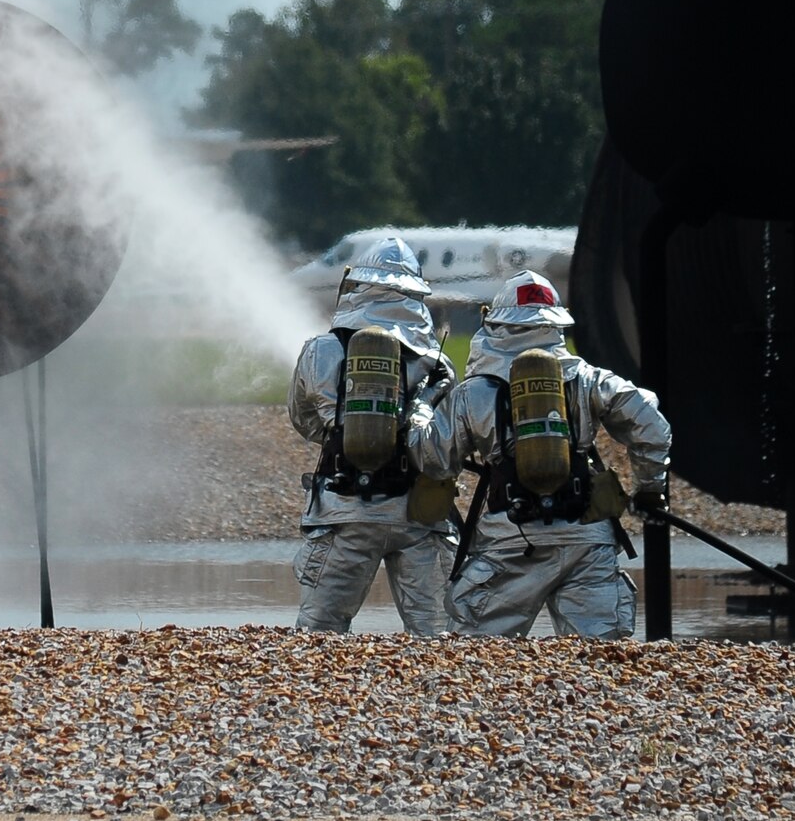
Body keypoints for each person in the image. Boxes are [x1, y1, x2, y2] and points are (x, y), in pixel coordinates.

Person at [408, 269, 671, 639]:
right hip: (587, 540)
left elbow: (432, 458)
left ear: (498, 325)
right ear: (557, 326)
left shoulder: (475, 393)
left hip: (510, 541)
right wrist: (649, 488)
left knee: (478, 659)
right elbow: (653, 425)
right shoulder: (588, 379)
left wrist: (421, 408)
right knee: (603, 660)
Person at [287, 236, 458, 633]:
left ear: (356, 287)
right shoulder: (437, 362)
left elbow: (302, 419)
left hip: (343, 511)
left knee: (319, 634)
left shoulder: (321, 350)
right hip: (422, 516)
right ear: (416, 293)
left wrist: (348, 440)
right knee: (437, 639)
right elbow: (446, 444)